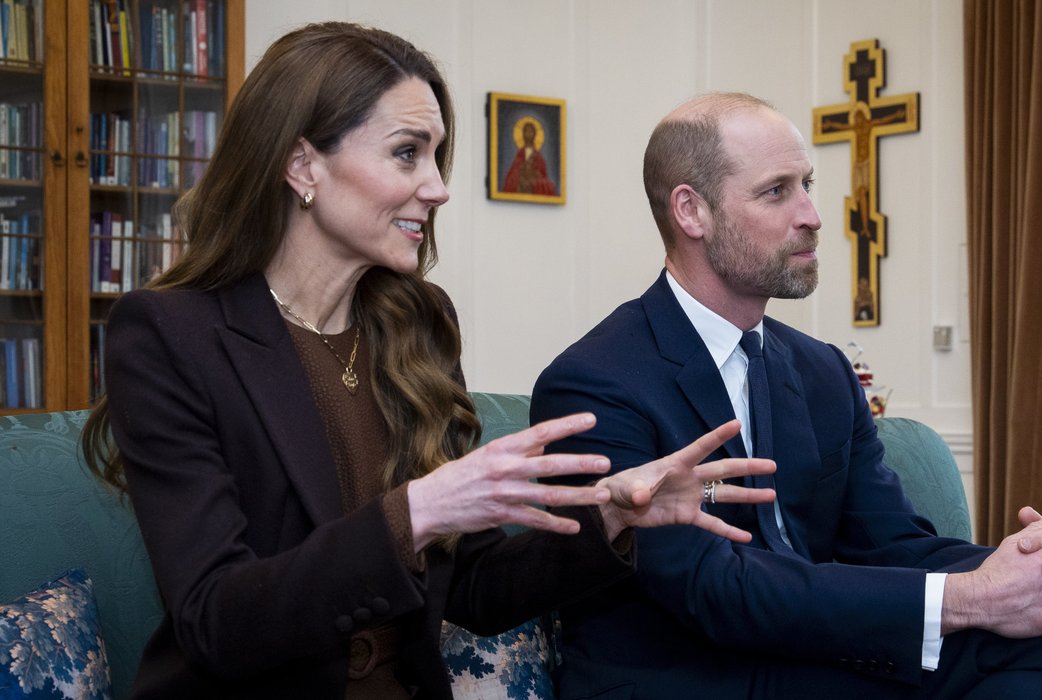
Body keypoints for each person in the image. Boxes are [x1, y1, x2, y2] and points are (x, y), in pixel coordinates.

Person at [80, 27, 775, 699]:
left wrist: (613, 518)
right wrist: (414, 513)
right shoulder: (171, 334)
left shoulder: (418, 325)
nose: (438, 187)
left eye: (437, 156)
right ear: (302, 167)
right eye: (407, 153)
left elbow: (472, 588)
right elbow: (215, 622)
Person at [531, 92, 1042, 699]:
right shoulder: (594, 383)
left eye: (806, 185)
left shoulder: (819, 370)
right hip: (690, 675)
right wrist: (973, 598)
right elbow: (716, 591)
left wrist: (1029, 571)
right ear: (690, 211)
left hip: (807, 659)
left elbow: (893, 543)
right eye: (776, 192)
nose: (812, 215)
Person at [502, 118, 558, 195]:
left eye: (531, 131)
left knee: (548, 185)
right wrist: (522, 168)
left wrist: (535, 172)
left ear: (534, 134)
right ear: (523, 134)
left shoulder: (538, 155)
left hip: (535, 178)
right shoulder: (521, 152)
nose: (528, 134)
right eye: (526, 131)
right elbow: (515, 167)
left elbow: (542, 171)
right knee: (514, 181)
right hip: (522, 177)